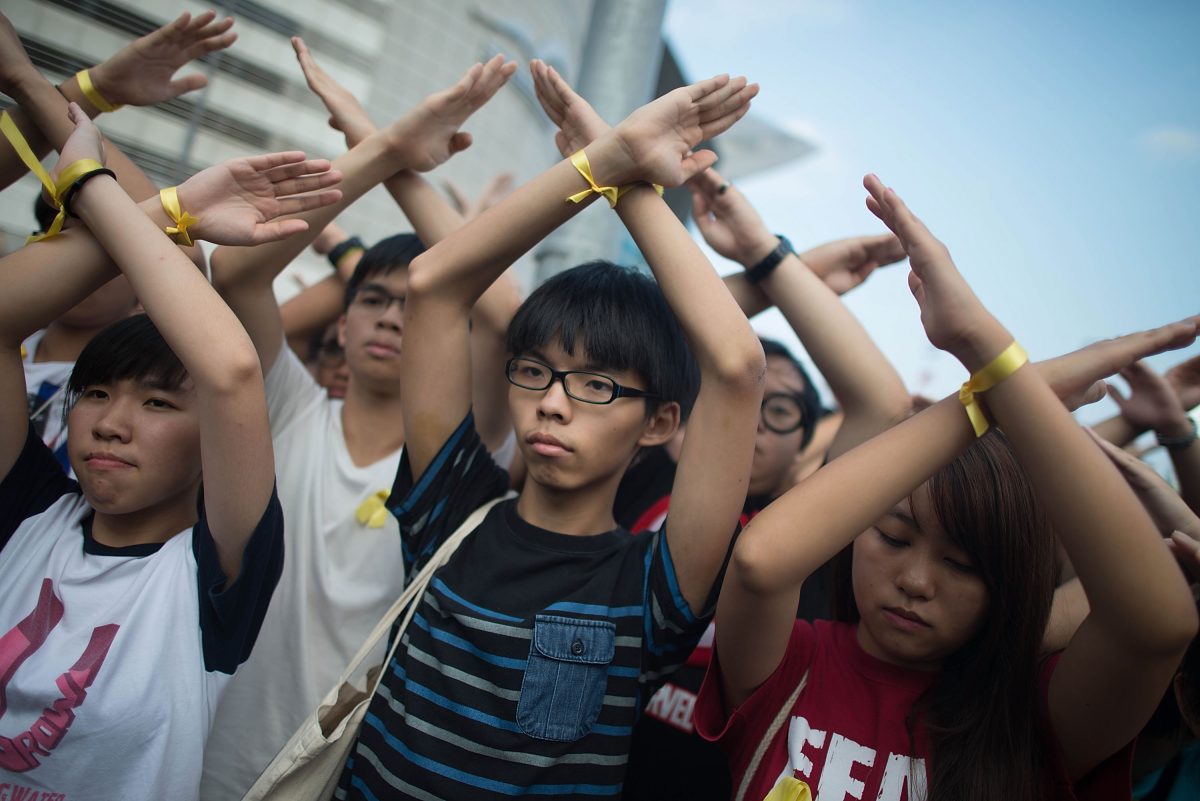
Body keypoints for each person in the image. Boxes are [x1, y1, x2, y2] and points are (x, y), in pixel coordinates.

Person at [694, 174, 1200, 801]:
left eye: (963, 564)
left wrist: (991, 357)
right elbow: (762, 561)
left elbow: (1155, 626)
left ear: (1016, 578)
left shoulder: (1028, 720)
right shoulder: (794, 662)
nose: (916, 581)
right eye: (893, 535)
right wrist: (994, 383)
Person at [330, 69, 762, 798]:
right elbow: (435, 284)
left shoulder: (651, 586)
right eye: (535, 371)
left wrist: (626, 181)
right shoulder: (453, 511)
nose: (553, 405)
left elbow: (735, 361)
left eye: (597, 385)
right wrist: (606, 158)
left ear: (658, 421)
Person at [200, 52, 519, 801]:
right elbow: (237, 273)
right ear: (340, 324)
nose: (391, 317)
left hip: (350, 765)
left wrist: (395, 156)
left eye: (416, 305)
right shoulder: (283, 405)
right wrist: (381, 149)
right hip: (211, 745)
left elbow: (506, 320)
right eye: (375, 299)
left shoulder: (458, 458)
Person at [0, 102, 341, 799]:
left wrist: (92, 182)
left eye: (158, 403)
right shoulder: (29, 513)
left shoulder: (212, 576)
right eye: (96, 392)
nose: (112, 423)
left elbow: (232, 370)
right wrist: (173, 209)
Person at [0, 12, 220, 473]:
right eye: (66, 232)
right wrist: (93, 89)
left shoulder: (163, 378)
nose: (82, 261)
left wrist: (28, 80)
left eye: (108, 250)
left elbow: (180, 251)